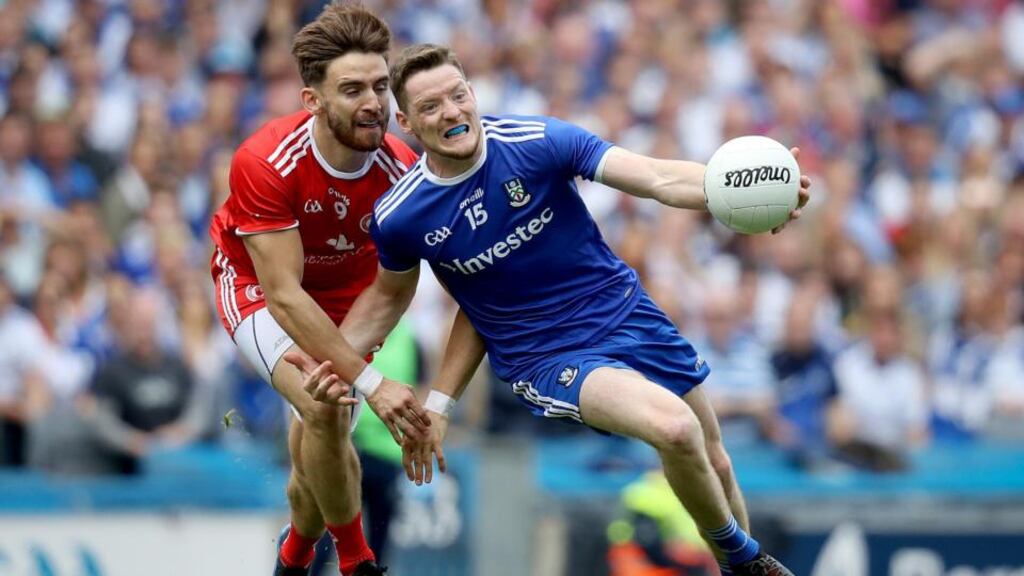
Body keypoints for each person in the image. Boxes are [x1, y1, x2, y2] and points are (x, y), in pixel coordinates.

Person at [308, 44, 810, 576]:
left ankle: (740, 564)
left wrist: (745, 193)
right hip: (545, 355)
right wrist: (335, 358)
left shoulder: (539, 141)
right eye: (431, 107)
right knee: (676, 429)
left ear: (472, 94)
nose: (452, 112)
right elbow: (390, 301)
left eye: (458, 96)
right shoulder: (402, 216)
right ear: (406, 122)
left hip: (625, 312)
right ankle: (744, 558)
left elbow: (657, 178)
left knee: (715, 458)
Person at [207, 5, 430, 576]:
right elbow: (284, 295)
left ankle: (295, 554)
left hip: (350, 302)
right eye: (352, 88)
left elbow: (396, 288)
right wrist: (372, 382)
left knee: (324, 419)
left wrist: (360, 369)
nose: (373, 102)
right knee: (326, 403)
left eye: (381, 85)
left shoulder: (404, 171)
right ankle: (357, 563)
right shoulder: (265, 161)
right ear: (313, 101)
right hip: (261, 290)